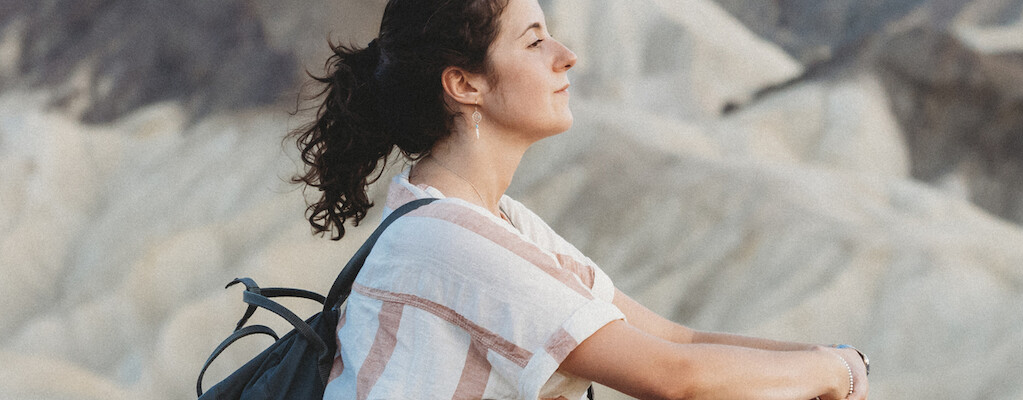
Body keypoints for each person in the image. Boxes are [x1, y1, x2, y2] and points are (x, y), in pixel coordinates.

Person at [286, 0, 870, 398]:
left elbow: (673, 338)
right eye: (535, 40)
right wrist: (834, 370)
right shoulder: (446, 239)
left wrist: (828, 356)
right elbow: (674, 378)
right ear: (465, 84)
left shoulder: (492, 220)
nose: (566, 55)